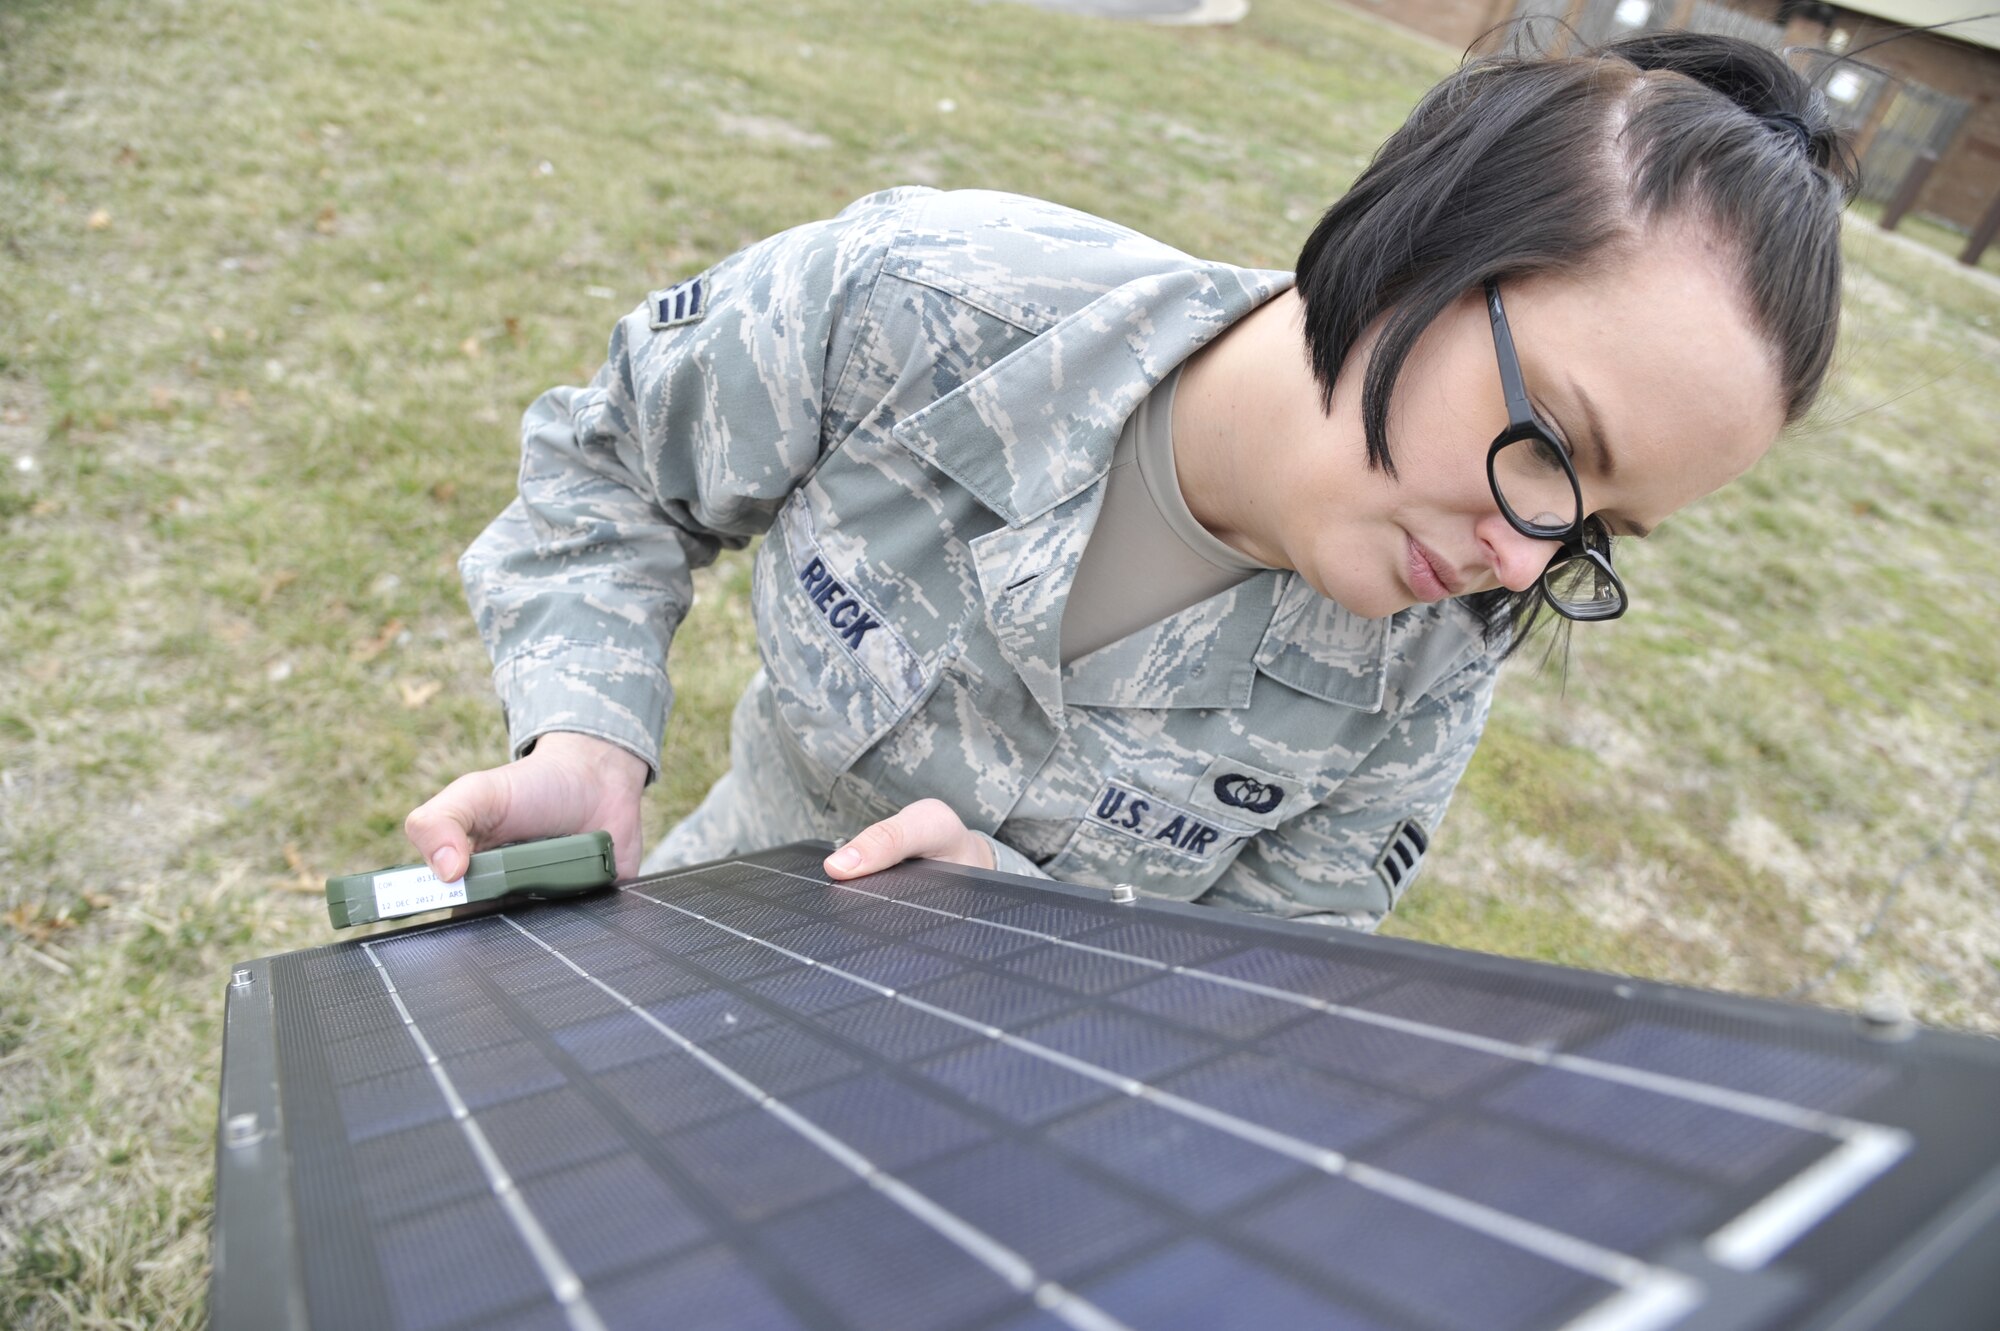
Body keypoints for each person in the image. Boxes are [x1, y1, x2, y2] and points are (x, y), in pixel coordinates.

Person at [405, 31, 1854, 927]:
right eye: (1555, 444)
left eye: (1601, 532)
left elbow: (1282, 971)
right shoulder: (931, 302)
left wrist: (1029, 944)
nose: (1527, 564)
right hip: (712, 916)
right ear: (1422, 236)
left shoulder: (1438, 640)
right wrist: (584, 737)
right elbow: (614, 470)